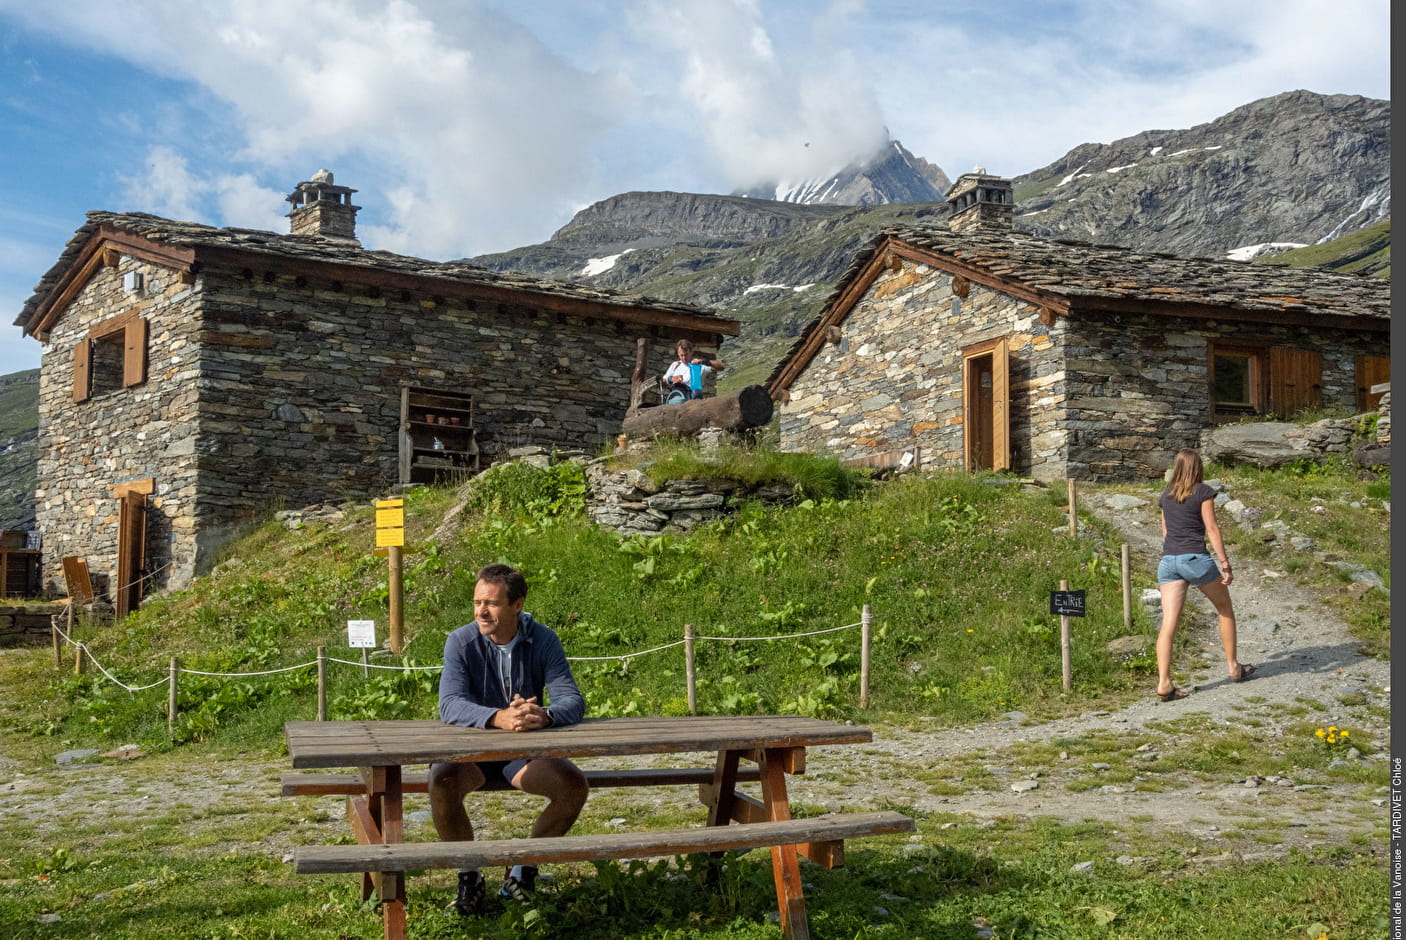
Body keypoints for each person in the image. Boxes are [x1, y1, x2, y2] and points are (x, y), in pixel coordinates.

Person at [429, 564, 587, 915]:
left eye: (492, 603)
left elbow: (571, 699)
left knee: (573, 786)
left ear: (517, 604)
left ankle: (522, 871)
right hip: (473, 751)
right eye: (476, 602)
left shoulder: (544, 639)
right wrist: (497, 717)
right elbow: (449, 703)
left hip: (523, 752)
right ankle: (468, 875)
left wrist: (544, 715)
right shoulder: (460, 640)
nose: (481, 611)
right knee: (441, 779)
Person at [1154, 448, 1254, 702]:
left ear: (1176, 467)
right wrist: (1225, 563)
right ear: (1198, 467)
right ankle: (1233, 667)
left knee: (1168, 624)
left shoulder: (1166, 495)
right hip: (1194, 558)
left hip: (1168, 561)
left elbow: (1166, 533)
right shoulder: (1203, 491)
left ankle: (1164, 683)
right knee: (1225, 609)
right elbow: (1211, 528)